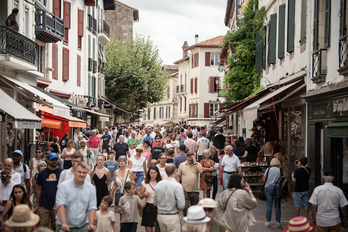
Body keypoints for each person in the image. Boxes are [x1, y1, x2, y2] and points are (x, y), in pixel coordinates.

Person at [56, 162, 97, 232]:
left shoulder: (91, 188)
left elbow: (92, 207)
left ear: (87, 173)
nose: (81, 174)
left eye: (84, 173)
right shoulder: (64, 186)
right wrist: (64, 223)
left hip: (82, 226)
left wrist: (90, 224)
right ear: (74, 172)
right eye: (79, 172)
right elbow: (61, 205)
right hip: (65, 226)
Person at [35, 152, 63, 230]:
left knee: (55, 226)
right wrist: (37, 205)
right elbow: (39, 189)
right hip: (44, 204)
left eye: (55, 159)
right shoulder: (42, 173)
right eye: (52, 159)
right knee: (42, 226)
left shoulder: (62, 172)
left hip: (57, 205)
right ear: (48, 160)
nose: (54, 161)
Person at [153, 164, 185, 232]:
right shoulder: (177, 186)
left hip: (161, 215)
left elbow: (154, 202)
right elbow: (181, 205)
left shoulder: (159, 184)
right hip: (172, 215)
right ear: (175, 171)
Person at [177, 152, 203, 216]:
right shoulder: (182, 165)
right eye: (189, 157)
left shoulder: (197, 164)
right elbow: (178, 175)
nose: (190, 159)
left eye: (192, 157)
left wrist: (195, 162)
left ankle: (193, 220)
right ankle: (186, 219)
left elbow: (201, 171)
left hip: (195, 190)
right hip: (184, 190)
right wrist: (178, 185)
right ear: (187, 157)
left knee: (194, 208)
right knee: (185, 207)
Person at [262, 158, 284, 227]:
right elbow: (284, 179)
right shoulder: (281, 170)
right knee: (277, 205)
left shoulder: (268, 170)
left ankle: (268, 221)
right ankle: (278, 222)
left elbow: (264, 179)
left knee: (269, 205)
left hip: (268, 187)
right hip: (277, 187)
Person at [139, 165, 161, 232]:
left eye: (154, 173)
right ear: (149, 173)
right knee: (148, 225)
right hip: (148, 205)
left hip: (159, 206)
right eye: (151, 173)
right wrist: (144, 195)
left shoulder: (161, 182)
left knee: (158, 226)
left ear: (157, 173)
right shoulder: (145, 182)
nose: (153, 175)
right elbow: (140, 196)